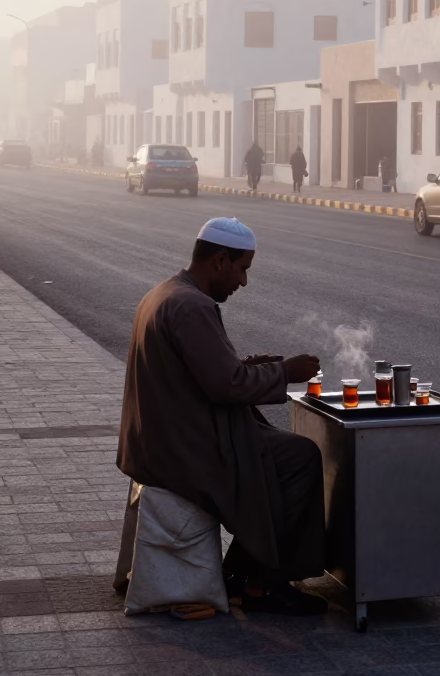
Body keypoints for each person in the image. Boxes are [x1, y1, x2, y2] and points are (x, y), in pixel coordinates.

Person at [117, 216, 327, 615]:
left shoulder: (166, 293)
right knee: (298, 459)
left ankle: (239, 575)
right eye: (242, 269)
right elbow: (225, 385)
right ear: (219, 261)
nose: (243, 282)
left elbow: (203, 371)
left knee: (279, 453)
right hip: (184, 448)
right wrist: (285, 372)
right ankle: (264, 584)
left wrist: (260, 365)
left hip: (162, 437)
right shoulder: (191, 306)